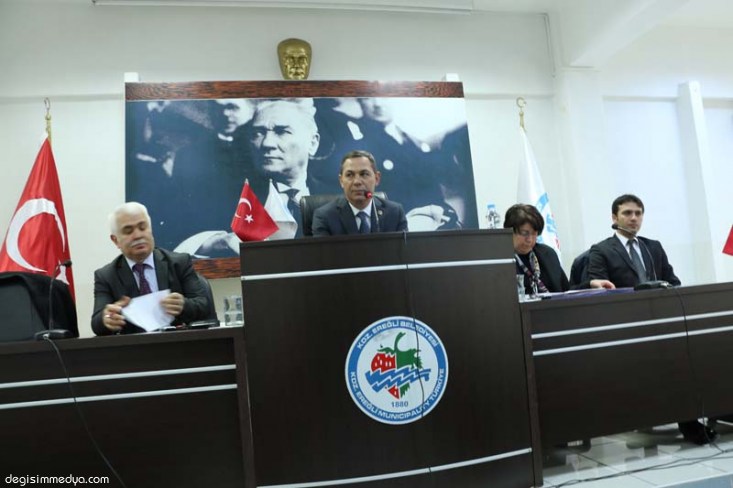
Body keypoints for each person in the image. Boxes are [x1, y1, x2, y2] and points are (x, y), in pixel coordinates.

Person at [588, 194, 714, 445]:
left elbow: (673, 281)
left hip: (660, 322)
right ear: (614, 217)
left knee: (687, 359)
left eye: (638, 213)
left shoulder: (652, 246)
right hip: (625, 326)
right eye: (627, 213)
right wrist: (596, 283)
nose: (633, 218)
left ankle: (692, 421)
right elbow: (594, 283)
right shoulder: (601, 250)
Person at [91, 202, 211, 335]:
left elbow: (204, 305)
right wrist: (107, 318)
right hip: (135, 345)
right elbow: (97, 323)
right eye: (128, 231)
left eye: (142, 227)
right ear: (115, 240)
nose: (138, 235)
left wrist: (183, 305)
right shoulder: (106, 276)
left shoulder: (179, 263)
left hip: (177, 342)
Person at [504, 204, 614, 294]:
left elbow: (565, 292)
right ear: (509, 231)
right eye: (525, 233)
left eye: (534, 234)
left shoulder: (547, 253)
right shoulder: (502, 259)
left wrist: (590, 284)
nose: (530, 239)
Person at [312, 150, 408, 236]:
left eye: (364, 174)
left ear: (377, 178)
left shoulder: (395, 213)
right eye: (349, 175)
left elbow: (404, 249)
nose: (357, 182)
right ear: (341, 181)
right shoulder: (325, 217)